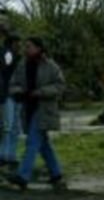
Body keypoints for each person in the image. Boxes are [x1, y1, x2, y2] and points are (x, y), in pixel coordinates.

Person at [5, 37, 66, 191]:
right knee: (43, 144)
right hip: (29, 109)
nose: (26, 49)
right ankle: (56, 174)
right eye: (26, 46)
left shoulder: (50, 66)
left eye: (29, 46)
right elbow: (13, 84)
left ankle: (23, 176)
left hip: (44, 109)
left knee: (32, 142)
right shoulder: (23, 65)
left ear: (39, 48)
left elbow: (60, 86)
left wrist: (41, 92)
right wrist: (18, 92)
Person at [1, 32, 21, 167]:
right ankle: (5, 154)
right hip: (9, 93)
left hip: (14, 94)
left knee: (13, 126)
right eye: (17, 43)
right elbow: (6, 67)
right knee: (9, 126)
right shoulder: (8, 54)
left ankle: (9, 154)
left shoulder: (16, 56)